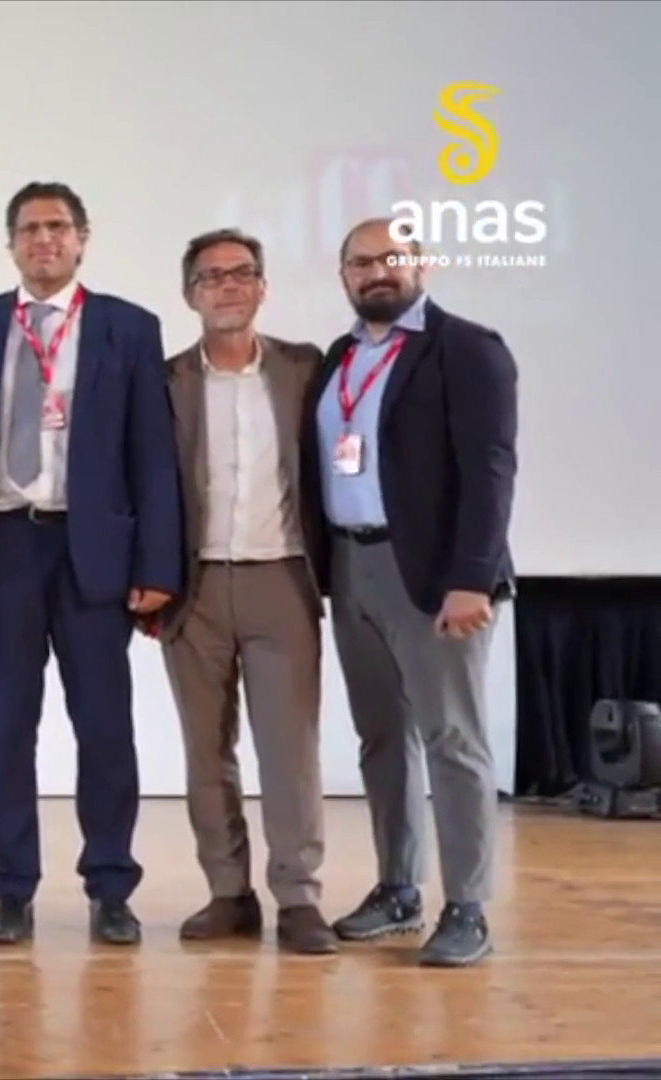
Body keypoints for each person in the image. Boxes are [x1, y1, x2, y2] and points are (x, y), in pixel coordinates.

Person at [0, 181, 183, 947]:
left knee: (104, 727)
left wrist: (158, 565)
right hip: (2, 545)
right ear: (11, 243)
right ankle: (11, 888)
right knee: (7, 727)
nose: (43, 239)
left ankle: (111, 886)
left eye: (57, 226)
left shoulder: (128, 327)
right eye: (29, 228)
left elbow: (153, 454)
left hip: (92, 550)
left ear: (82, 238)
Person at [304, 218, 516, 968]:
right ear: (344, 276)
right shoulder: (339, 359)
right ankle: (399, 890)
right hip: (350, 565)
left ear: (421, 264)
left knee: (452, 739)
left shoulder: (466, 347)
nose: (377, 273)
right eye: (361, 262)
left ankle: (468, 906)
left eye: (392, 258)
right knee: (382, 738)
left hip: (432, 575)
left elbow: (491, 471)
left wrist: (472, 577)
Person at [150, 230, 335, 954]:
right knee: (206, 752)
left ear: (262, 287)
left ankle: (299, 896)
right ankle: (228, 892)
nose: (227, 286)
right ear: (189, 294)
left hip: (282, 577)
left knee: (291, 753)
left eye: (241, 273)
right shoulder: (165, 381)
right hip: (193, 586)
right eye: (211, 276)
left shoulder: (305, 369)